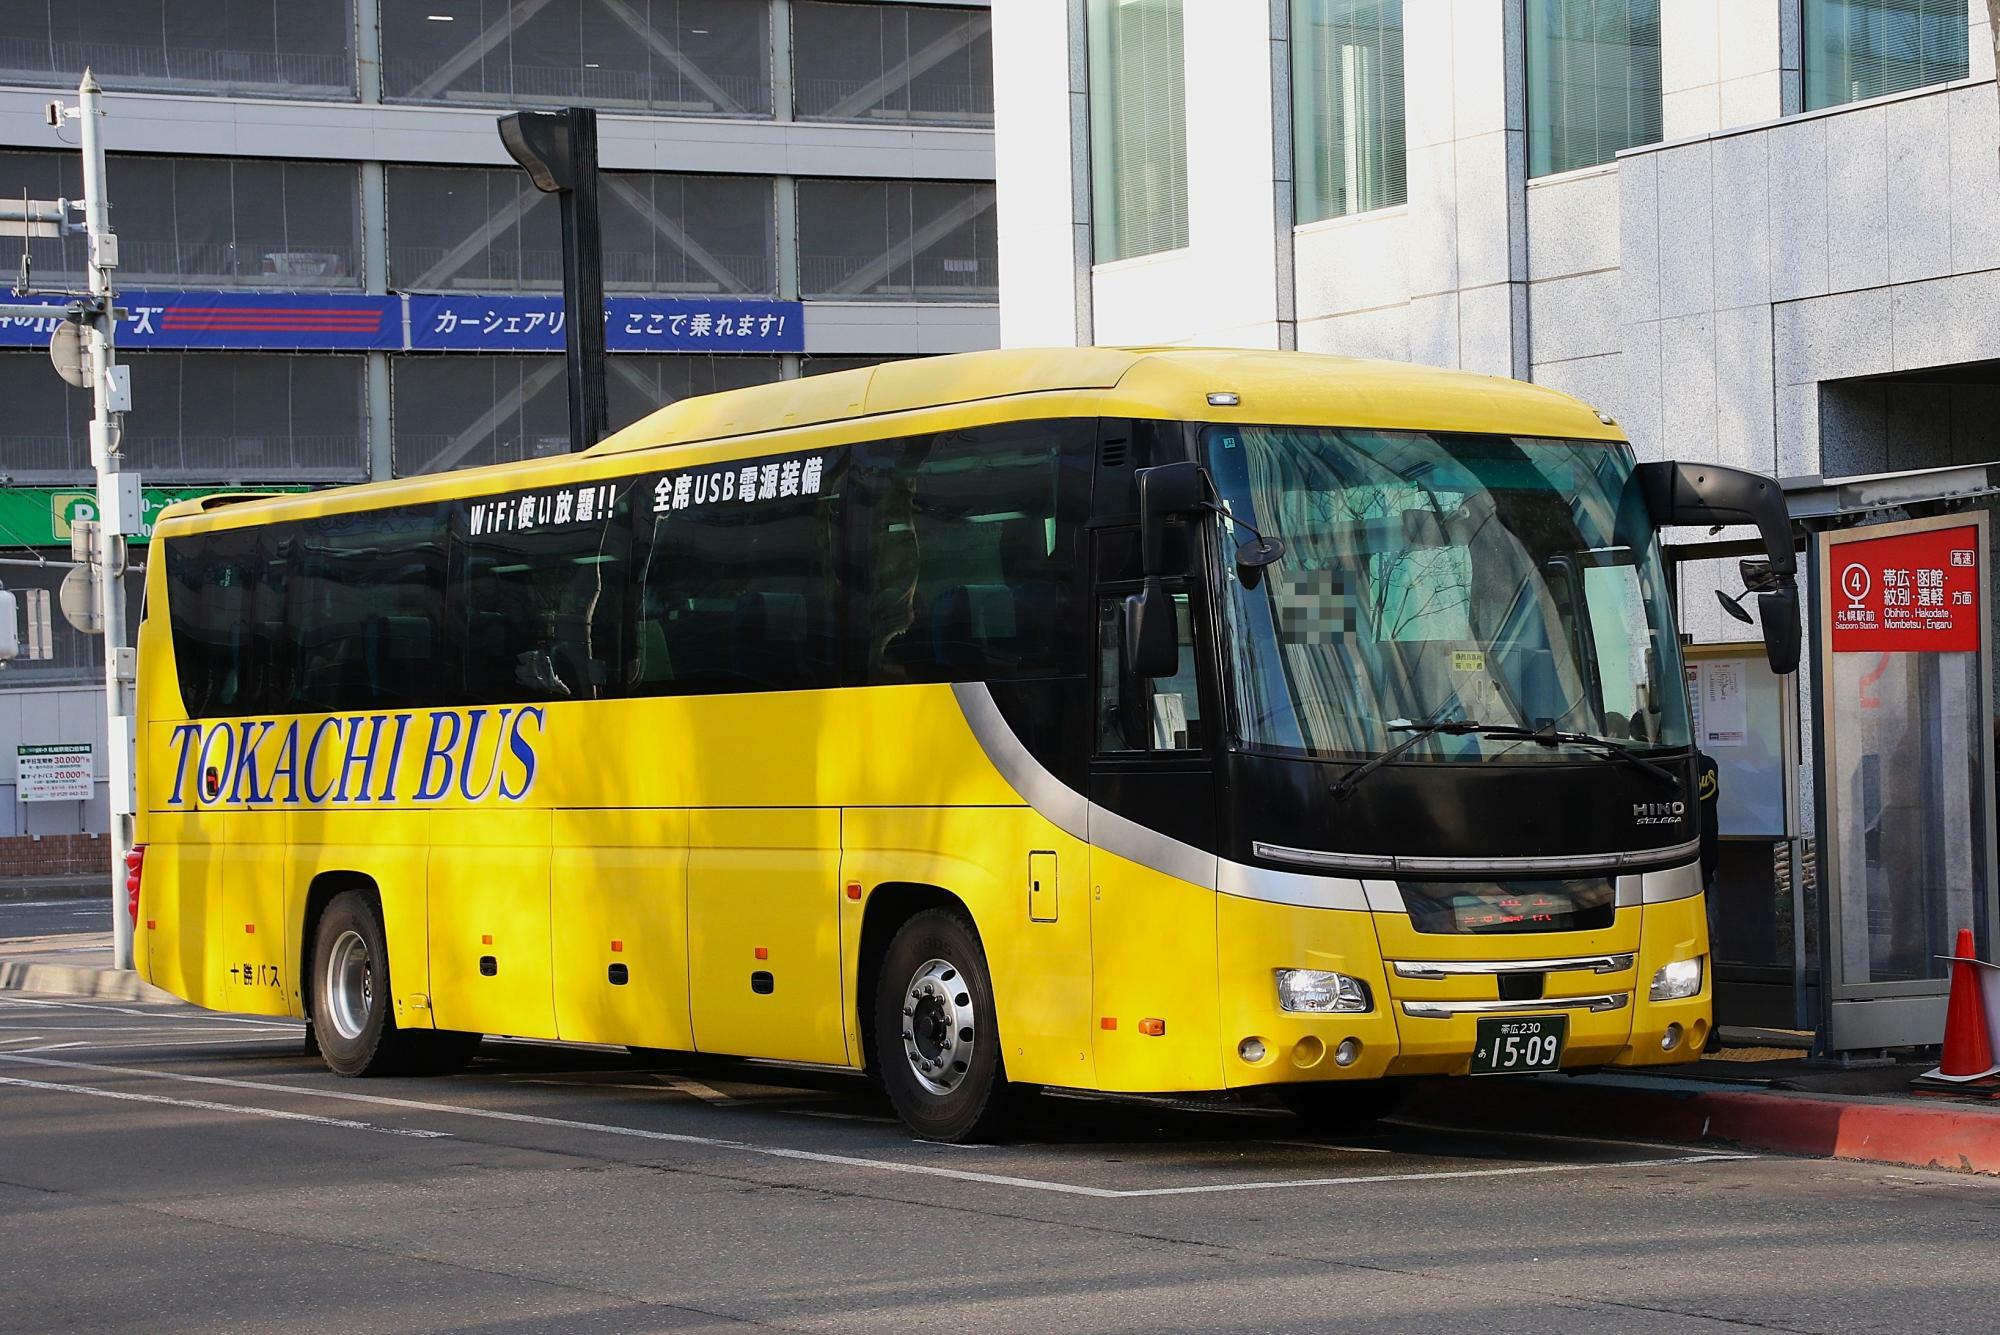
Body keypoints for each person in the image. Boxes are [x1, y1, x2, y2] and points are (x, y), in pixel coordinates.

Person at [1696, 750, 1722, 1053]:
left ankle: (1709, 1025)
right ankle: (1712, 1026)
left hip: (1693, 871)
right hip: (1703, 871)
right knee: (1706, 950)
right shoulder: (1706, 766)